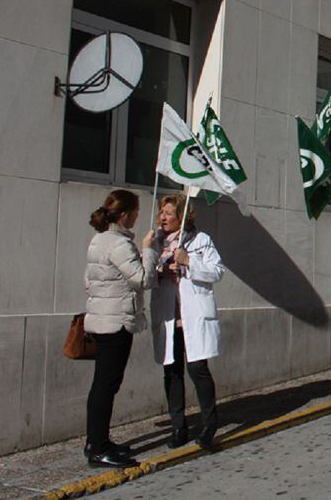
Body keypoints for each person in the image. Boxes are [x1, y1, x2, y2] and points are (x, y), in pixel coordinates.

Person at [83, 190, 157, 468]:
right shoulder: (120, 244)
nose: (138, 215)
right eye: (136, 211)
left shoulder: (98, 240)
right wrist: (149, 250)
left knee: (101, 384)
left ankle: (96, 441)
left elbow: (89, 281)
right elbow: (142, 280)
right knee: (107, 385)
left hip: (102, 320)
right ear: (124, 214)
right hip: (117, 322)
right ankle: (99, 449)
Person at [150, 194, 225, 449]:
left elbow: (217, 271)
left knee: (197, 370)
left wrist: (189, 262)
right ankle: (178, 427)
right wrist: (160, 269)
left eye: (169, 213)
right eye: (162, 212)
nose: (163, 217)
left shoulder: (201, 240)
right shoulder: (156, 242)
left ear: (182, 216)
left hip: (192, 317)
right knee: (171, 371)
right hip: (168, 316)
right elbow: (145, 276)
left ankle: (208, 424)